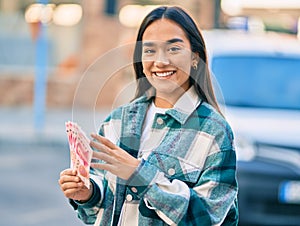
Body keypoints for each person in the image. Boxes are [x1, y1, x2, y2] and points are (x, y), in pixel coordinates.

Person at [59, 6, 238, 226]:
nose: (160, 61)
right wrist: (87, 193)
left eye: (173, 49)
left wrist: (140, 175)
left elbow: (207, 218)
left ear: (195, 57)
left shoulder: (214, 131)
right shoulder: (117, 121)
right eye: (150, 50)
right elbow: (98, 211)